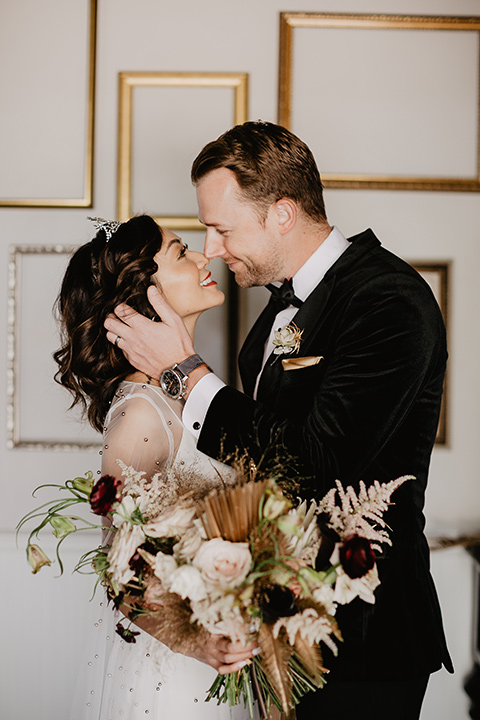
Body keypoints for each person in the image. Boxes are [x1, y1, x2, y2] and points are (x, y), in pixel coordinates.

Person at [104, 121, 454, 720]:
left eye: (220, 228)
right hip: (272, 637)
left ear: (282, 214)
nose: (212, 247)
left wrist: (185, 375)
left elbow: (319, 466)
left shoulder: (388, 301)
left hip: (361, 640)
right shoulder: (269, 324)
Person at [54, 215, 255, 720]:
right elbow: (120, 571)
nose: (205, 257)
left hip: (224, 646)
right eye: (182, 252)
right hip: (176, 671)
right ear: (143, 293)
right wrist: (199, 647)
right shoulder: (141, 415)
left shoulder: (193, 389)